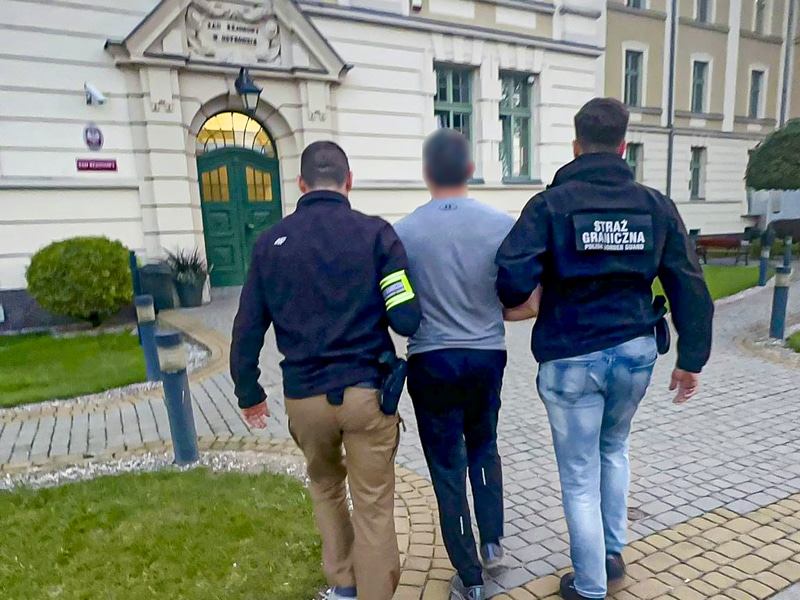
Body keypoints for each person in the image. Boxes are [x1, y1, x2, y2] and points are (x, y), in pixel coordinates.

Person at [495, 98, 714, 600]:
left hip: (571, 354)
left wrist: (535, 292)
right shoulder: (655, 205)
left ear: (576, 145)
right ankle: (612, 555)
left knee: (578, 474)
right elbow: (689, 284)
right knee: (614, 448)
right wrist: (691, 360)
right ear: (623, 145)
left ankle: (591, 586)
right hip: (635, 352)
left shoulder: (549, 206)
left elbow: (510, 277)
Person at [230, 141, 422, 600]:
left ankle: (343, 585)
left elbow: (246, 327)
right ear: (348, 181)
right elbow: (406, 319)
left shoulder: (270, 244)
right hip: (367, 395)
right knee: (373, 505)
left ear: (300, 184)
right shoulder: (377, 236)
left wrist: (249, 392)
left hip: (305, 399)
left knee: (326, 487)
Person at [394, 129, 539, 600]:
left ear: (426, 172)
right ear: (471, 170)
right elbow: (528, 299)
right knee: (483, 444)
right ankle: (492, 541)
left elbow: (396, 307)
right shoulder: (502, 226)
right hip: (485, 356)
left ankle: (470, 576)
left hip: (430, 358)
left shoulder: (402, 233)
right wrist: (491, 316)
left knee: (446, 465)